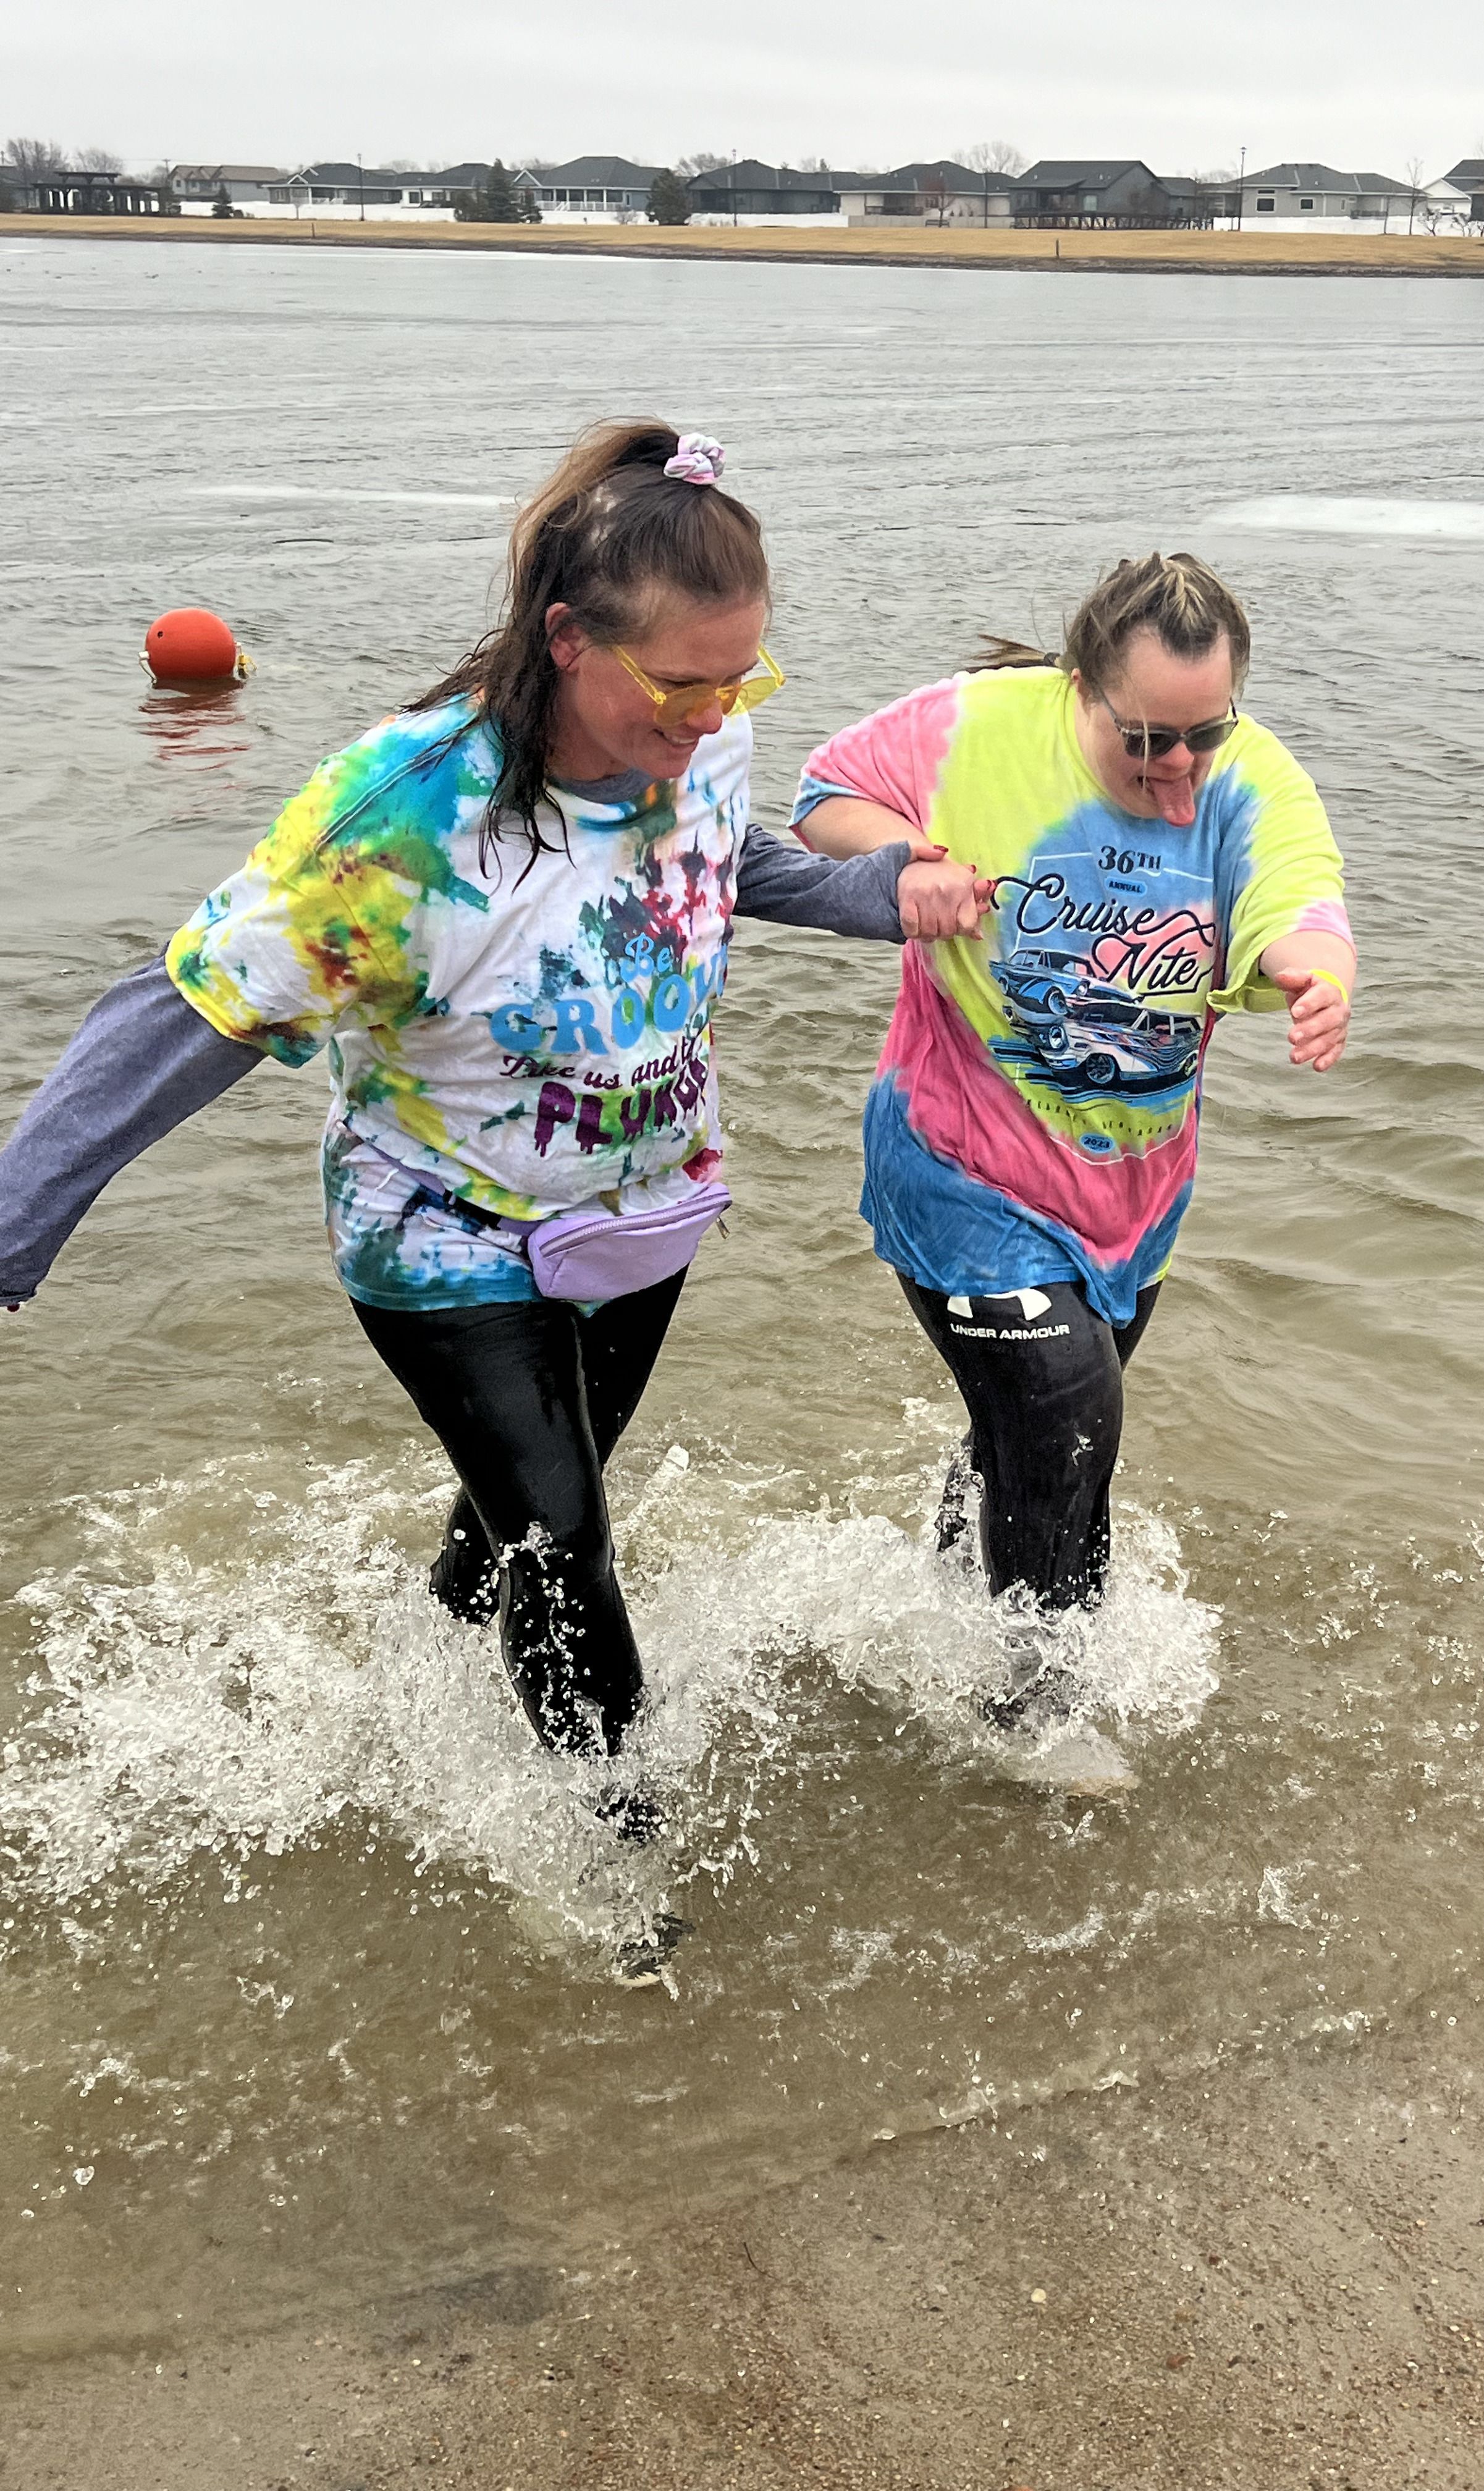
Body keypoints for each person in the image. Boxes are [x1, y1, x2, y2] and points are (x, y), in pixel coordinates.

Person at [0, 420, 987, 1809]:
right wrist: (11, 1233)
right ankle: (620, 1867)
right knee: (569, 1538)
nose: (710, 718)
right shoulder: (402, 820)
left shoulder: (707, 729)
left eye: (738, 676)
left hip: (642, 1210)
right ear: (569, 635)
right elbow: (185, 1011)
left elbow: (720, 857)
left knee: (526, 1516)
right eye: (677, 685)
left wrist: (884, 896)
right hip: (442, 1223)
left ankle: (415, 1705)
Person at [792, 552, 1354, 1748]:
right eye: (1148, 740)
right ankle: (1040, 1711)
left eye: (1208, 734)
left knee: (1036, 1435)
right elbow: (823, 794)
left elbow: (1301, 895)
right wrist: (911, 863)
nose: (1182, 771)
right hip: (959, 1164)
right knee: (1067, 1414)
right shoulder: (978, 725)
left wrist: (1315, 975)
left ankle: (942, 1599)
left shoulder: (1251, 780)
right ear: (1081, 691)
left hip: (1131, 1195)